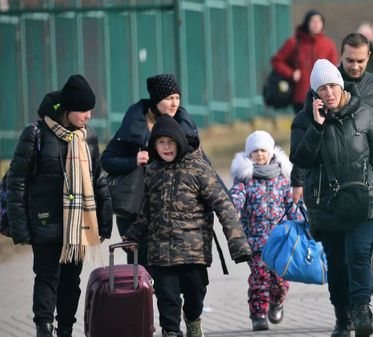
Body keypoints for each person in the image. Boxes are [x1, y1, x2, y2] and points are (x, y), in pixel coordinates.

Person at [290, 59, 373, 337]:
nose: (328, 93)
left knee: (358, 254)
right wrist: (316, 127)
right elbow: (300, 160)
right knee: (337, 264)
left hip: (366, 199)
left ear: (341, 86)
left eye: (332, 86)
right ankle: (343, 318)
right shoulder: (303, 120)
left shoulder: (364, 113)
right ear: (315, 93)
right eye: (322, 88)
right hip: (326, 205)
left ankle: (362, 309)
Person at [122, 114, 252, 337]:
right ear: (154, 145)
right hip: (161, 253)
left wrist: (238, 244)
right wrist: (133, 235)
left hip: (194, 253)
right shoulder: (152, 172)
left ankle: (193, 321)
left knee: (195, 293)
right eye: (160, 142)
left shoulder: (199, 170)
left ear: (179, 142)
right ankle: (170, 331)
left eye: (170, 141)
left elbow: (225, 207)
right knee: (166, 297)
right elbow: (147, 210)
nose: (166, 147)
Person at [7, 75, 113, 337]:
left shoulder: (89, 137)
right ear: (67, 109)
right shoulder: (35, 134)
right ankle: (44, 329)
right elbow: (17, 181)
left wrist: (105, 221)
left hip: (77, 224)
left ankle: (65, 330)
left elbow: (98, 179)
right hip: (46, 221)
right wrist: (20, 228)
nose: (88, 115)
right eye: (83, 110)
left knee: (70, 282)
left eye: (90, 110)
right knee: (46, 278)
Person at [101, 74, 199, 267]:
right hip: (135, 209)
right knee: (138, 266)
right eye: (169, 98)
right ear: (156, 99)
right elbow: (107, 160)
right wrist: (133, 161)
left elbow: (202, 166)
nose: (174, 103)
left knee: (168, 270)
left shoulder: (185, 126)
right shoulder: (133, 126)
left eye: (177, 97)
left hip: (172, 209)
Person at [290, 32, 373, 204]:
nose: (355, 66)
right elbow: (306, 135)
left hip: (368, 178)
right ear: (340, 55)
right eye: (350, 60)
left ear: (369, 56)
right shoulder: (321, 84)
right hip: (330, 177)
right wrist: (298, 181)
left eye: (360, 61)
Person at [229, 130, 301, 331]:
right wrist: (232, 208)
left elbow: (293, 204)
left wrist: (302, 222)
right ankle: (258, 314)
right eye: (255, 151)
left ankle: (277, 301)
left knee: (280, 280)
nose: (259, 154)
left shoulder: (283, 179)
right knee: (259, 276)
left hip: (280, 241)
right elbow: (236, 199)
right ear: (249, 154)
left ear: (271, 153)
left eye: (263, 150)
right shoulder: (245, 179)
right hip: (255, 240)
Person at [271, 9, 338, 114]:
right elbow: (277, 61)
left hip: (322, 96)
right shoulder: (294, 42)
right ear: (307, 23)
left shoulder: (329, 45)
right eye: (313, 21)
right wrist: (291, 73)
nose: (316, 24)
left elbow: (334, 70)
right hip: (300, 96)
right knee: (303, 127)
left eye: (319, 21)